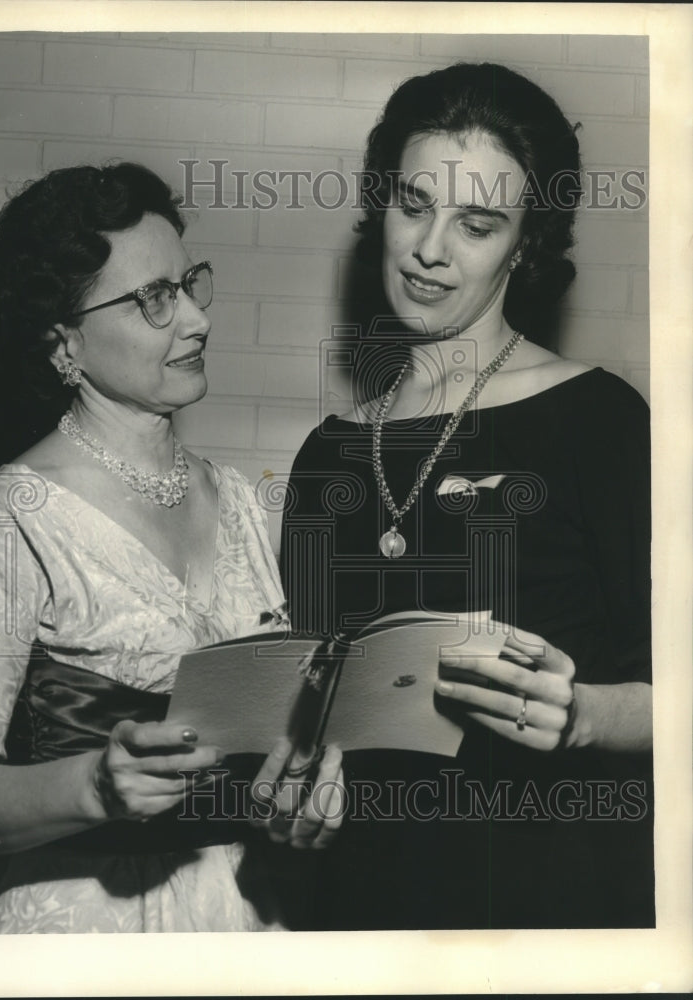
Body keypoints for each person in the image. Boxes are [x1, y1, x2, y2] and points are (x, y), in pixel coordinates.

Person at [279, 63, 653, 929]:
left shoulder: (597, 420)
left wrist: (587, 715)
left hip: (548, 893)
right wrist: (293, 780)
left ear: (525, 245)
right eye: (413, 205)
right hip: (362, 902)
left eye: (476, 224)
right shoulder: (328, 453)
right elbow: (308, 711)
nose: (428, 248)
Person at [0, 162, 342, 934]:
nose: (195, 319)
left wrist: (299, 791)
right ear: (65, 342)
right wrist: (94, 786)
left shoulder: (243, 503)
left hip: (242, 922)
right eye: (154, 298)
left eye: (188, 283)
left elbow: (263, 745)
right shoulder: (8, 517)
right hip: (75, 937)